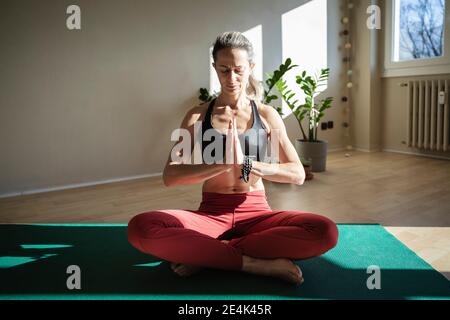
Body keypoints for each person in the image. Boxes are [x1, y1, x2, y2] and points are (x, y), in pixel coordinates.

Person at [128, 31, 338, 285]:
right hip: (211, 215)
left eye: (238, 69)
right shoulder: (196, 116)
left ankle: (208, 254)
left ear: (250, 67)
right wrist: (222, 164)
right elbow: (170, 176)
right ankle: (252, 264)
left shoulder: (267, 114)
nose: (231, 78)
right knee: (142, 227)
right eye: (224, 69)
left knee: (325, 231)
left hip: (258, 215)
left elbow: (297, 174)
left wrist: (250, 165)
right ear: (214, 67)